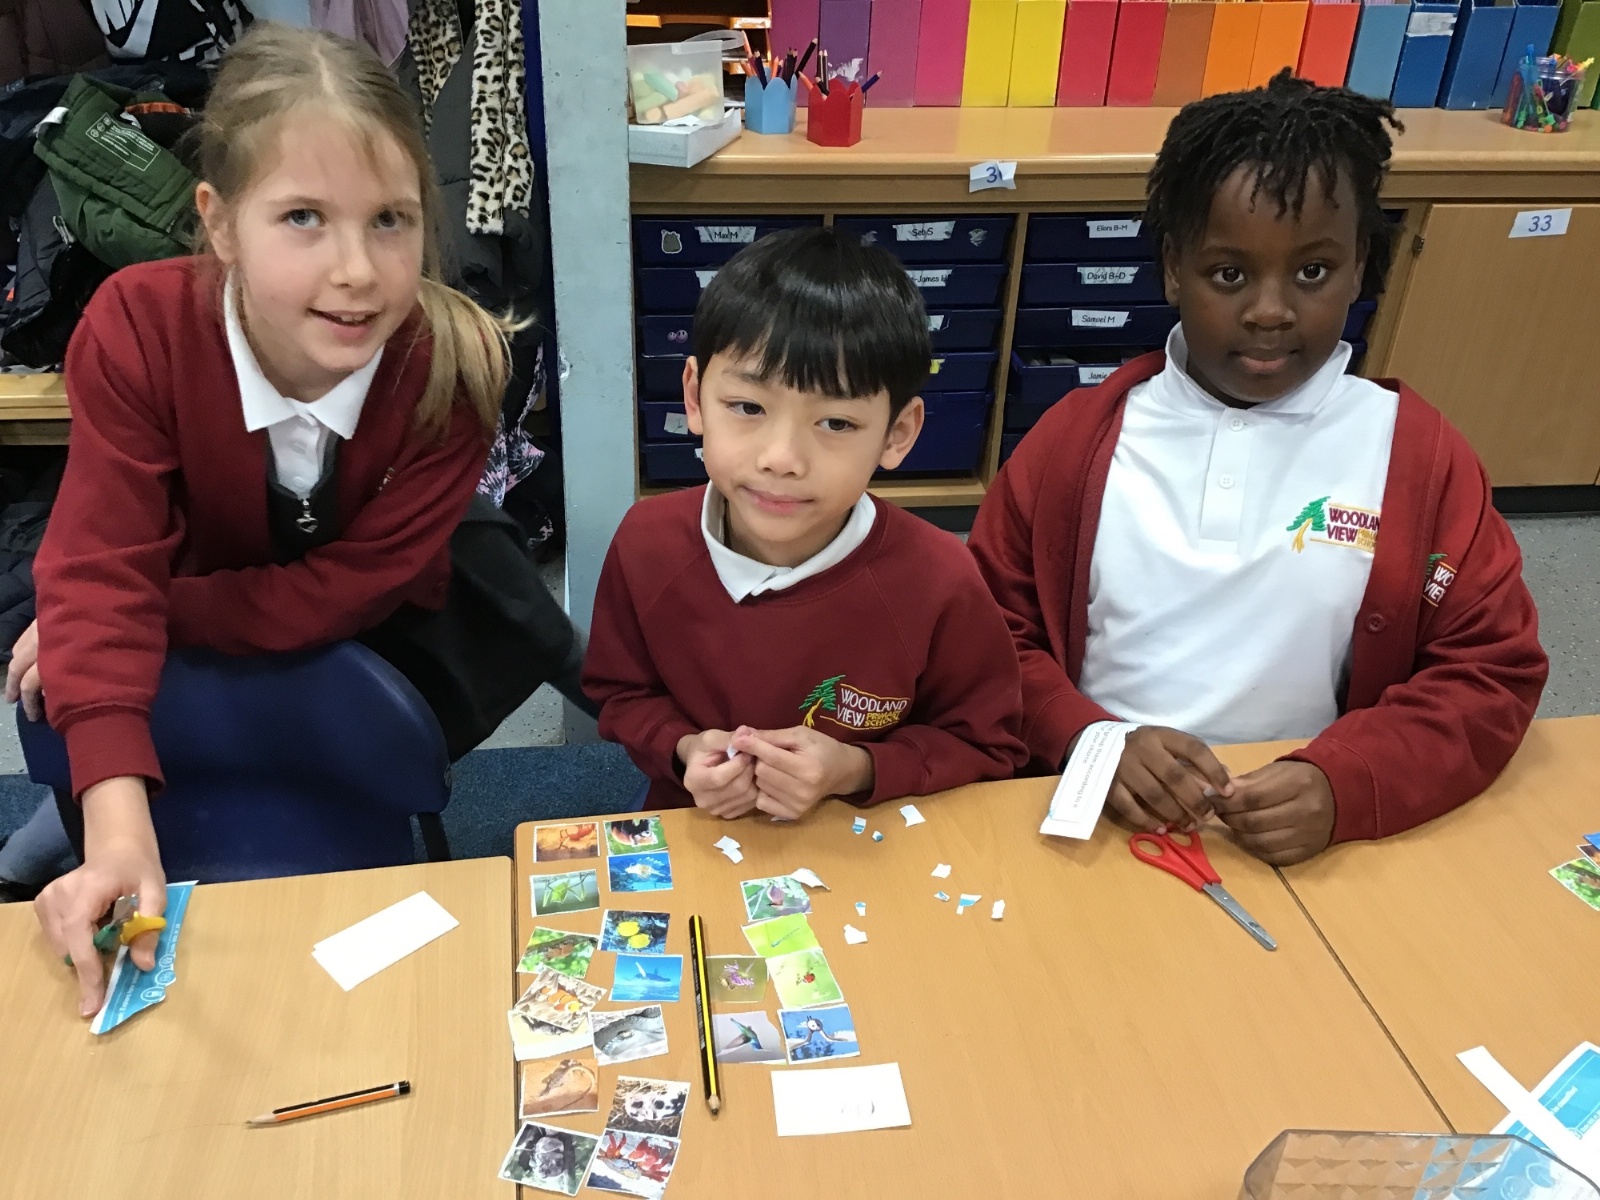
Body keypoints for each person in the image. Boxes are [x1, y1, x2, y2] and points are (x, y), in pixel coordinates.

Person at [18, 23, 582, 1016]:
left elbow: (339, 596)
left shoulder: (448, 373)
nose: (357, 269)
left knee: (362, 716)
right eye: (304, 218)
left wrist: (144, 613)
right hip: (199, 573)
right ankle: (75, 818)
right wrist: (114, 824)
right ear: (221, 224)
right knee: (83, 678)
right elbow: (104, 566)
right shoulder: (137, 327)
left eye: (391, 220)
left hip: (367, 611)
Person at [968, 73, 1547, 865]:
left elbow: (1490, 671)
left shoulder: (1419, 457)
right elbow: (986, 636)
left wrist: (1347, 781)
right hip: (1094, 824)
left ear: (1359, 265)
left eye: (1312, 273)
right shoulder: (1076, 443)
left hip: (1304, 839)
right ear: (1174, 269)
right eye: (1229, 274)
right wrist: (1089, 738)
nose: (1270, 311)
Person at [584, 227, 1028, 817]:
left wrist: (857, 768)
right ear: (694, 398)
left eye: (836, 423)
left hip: (867, 832)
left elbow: (987, 743)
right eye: (747, 407)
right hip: (694, 818)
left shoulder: (940, 577)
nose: (782, 459)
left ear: (897, 434)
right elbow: (621, 693)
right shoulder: (647, 542)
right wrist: (684, 748)